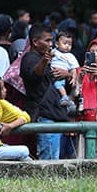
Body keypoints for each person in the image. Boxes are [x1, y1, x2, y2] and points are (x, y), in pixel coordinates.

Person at [19, 23, 71, 160]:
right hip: (45, 116)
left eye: (51, 40)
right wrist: (44, 61)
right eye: (47, 40)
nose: (51, 44)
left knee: (56, 158)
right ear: (35, 42)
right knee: (49, 162)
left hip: (55, 115)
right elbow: (33, 76)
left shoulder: (51, 60)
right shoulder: (29, 58)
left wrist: (67, 74)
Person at [51, 27, 80, 115]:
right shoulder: (54, 52)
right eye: (65, 43)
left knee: (59, 83)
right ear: (56, 44)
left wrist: (74, 78)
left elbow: (74, 68)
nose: (67, 46)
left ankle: (65, 97)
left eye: (69, 44)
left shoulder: (70, 56)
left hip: (62, 76)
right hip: (53, 72)